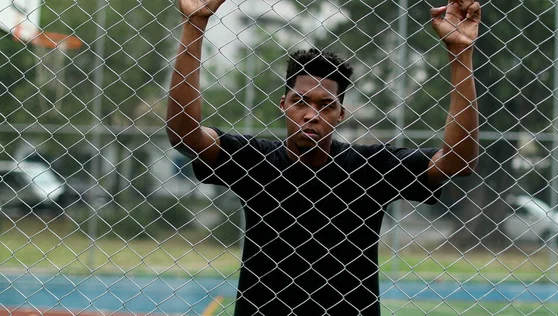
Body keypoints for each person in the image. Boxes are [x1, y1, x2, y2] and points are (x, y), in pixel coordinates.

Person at [167, 0, 481, 314]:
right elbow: (183, 134)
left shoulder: (371, 167)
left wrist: (460, 52)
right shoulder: (256, 160)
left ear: (341, 113)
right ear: (283, 104)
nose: (311, 115)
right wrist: (195, 22)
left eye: (325, 105)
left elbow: (459, 161)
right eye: (300, 102)